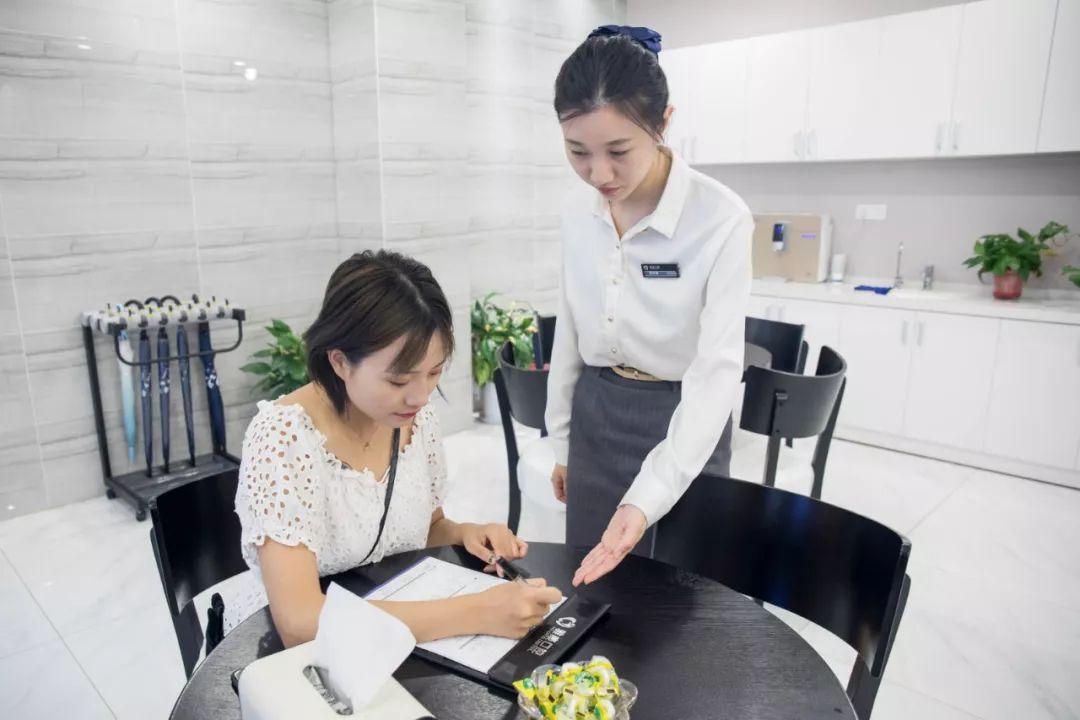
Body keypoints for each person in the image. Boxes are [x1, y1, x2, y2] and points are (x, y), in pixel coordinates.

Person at [234, 250, 561, 646]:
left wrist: (465, 533)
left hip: (390, 618)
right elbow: (299, 624)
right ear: (340, 362)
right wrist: (477, 612)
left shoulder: (415, 421)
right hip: (299, 651)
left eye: (434, 372)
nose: (420, 396)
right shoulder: (283, 438)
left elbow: (426, 527)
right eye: (398, 380)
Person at [545, 26, 753, 587]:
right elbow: (570, 329)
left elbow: (716, 372)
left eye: (618, 151)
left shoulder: (721, 219)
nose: (599, 174)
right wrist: (562, 440)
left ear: (663, 123)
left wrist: (650, 494)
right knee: (593, 588)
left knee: (683, 596)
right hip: (598, 416)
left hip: (685, 422)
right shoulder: (575, 211)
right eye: (578, 152)